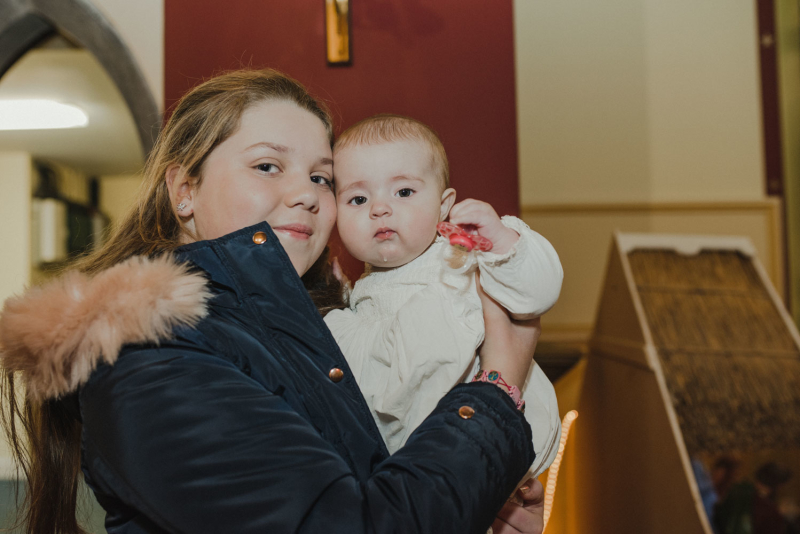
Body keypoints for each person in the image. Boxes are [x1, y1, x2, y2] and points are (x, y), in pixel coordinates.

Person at [0, 69, 549, 534]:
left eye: (321, 177)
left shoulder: (305, 331)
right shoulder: (147, 353)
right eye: (268, 166)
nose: (307, 193)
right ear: (184, 189)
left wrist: (481, 499)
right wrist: (499, 382)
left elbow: (371, 481)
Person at [324, 115, 562, 480]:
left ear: (443, 204)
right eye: (358, 198)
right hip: (419, 465)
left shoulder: (462, 258)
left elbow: (538, 294)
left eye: (403, 192)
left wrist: (502, 243)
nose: (380, 208)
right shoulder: (359, 301)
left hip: (491, 432)